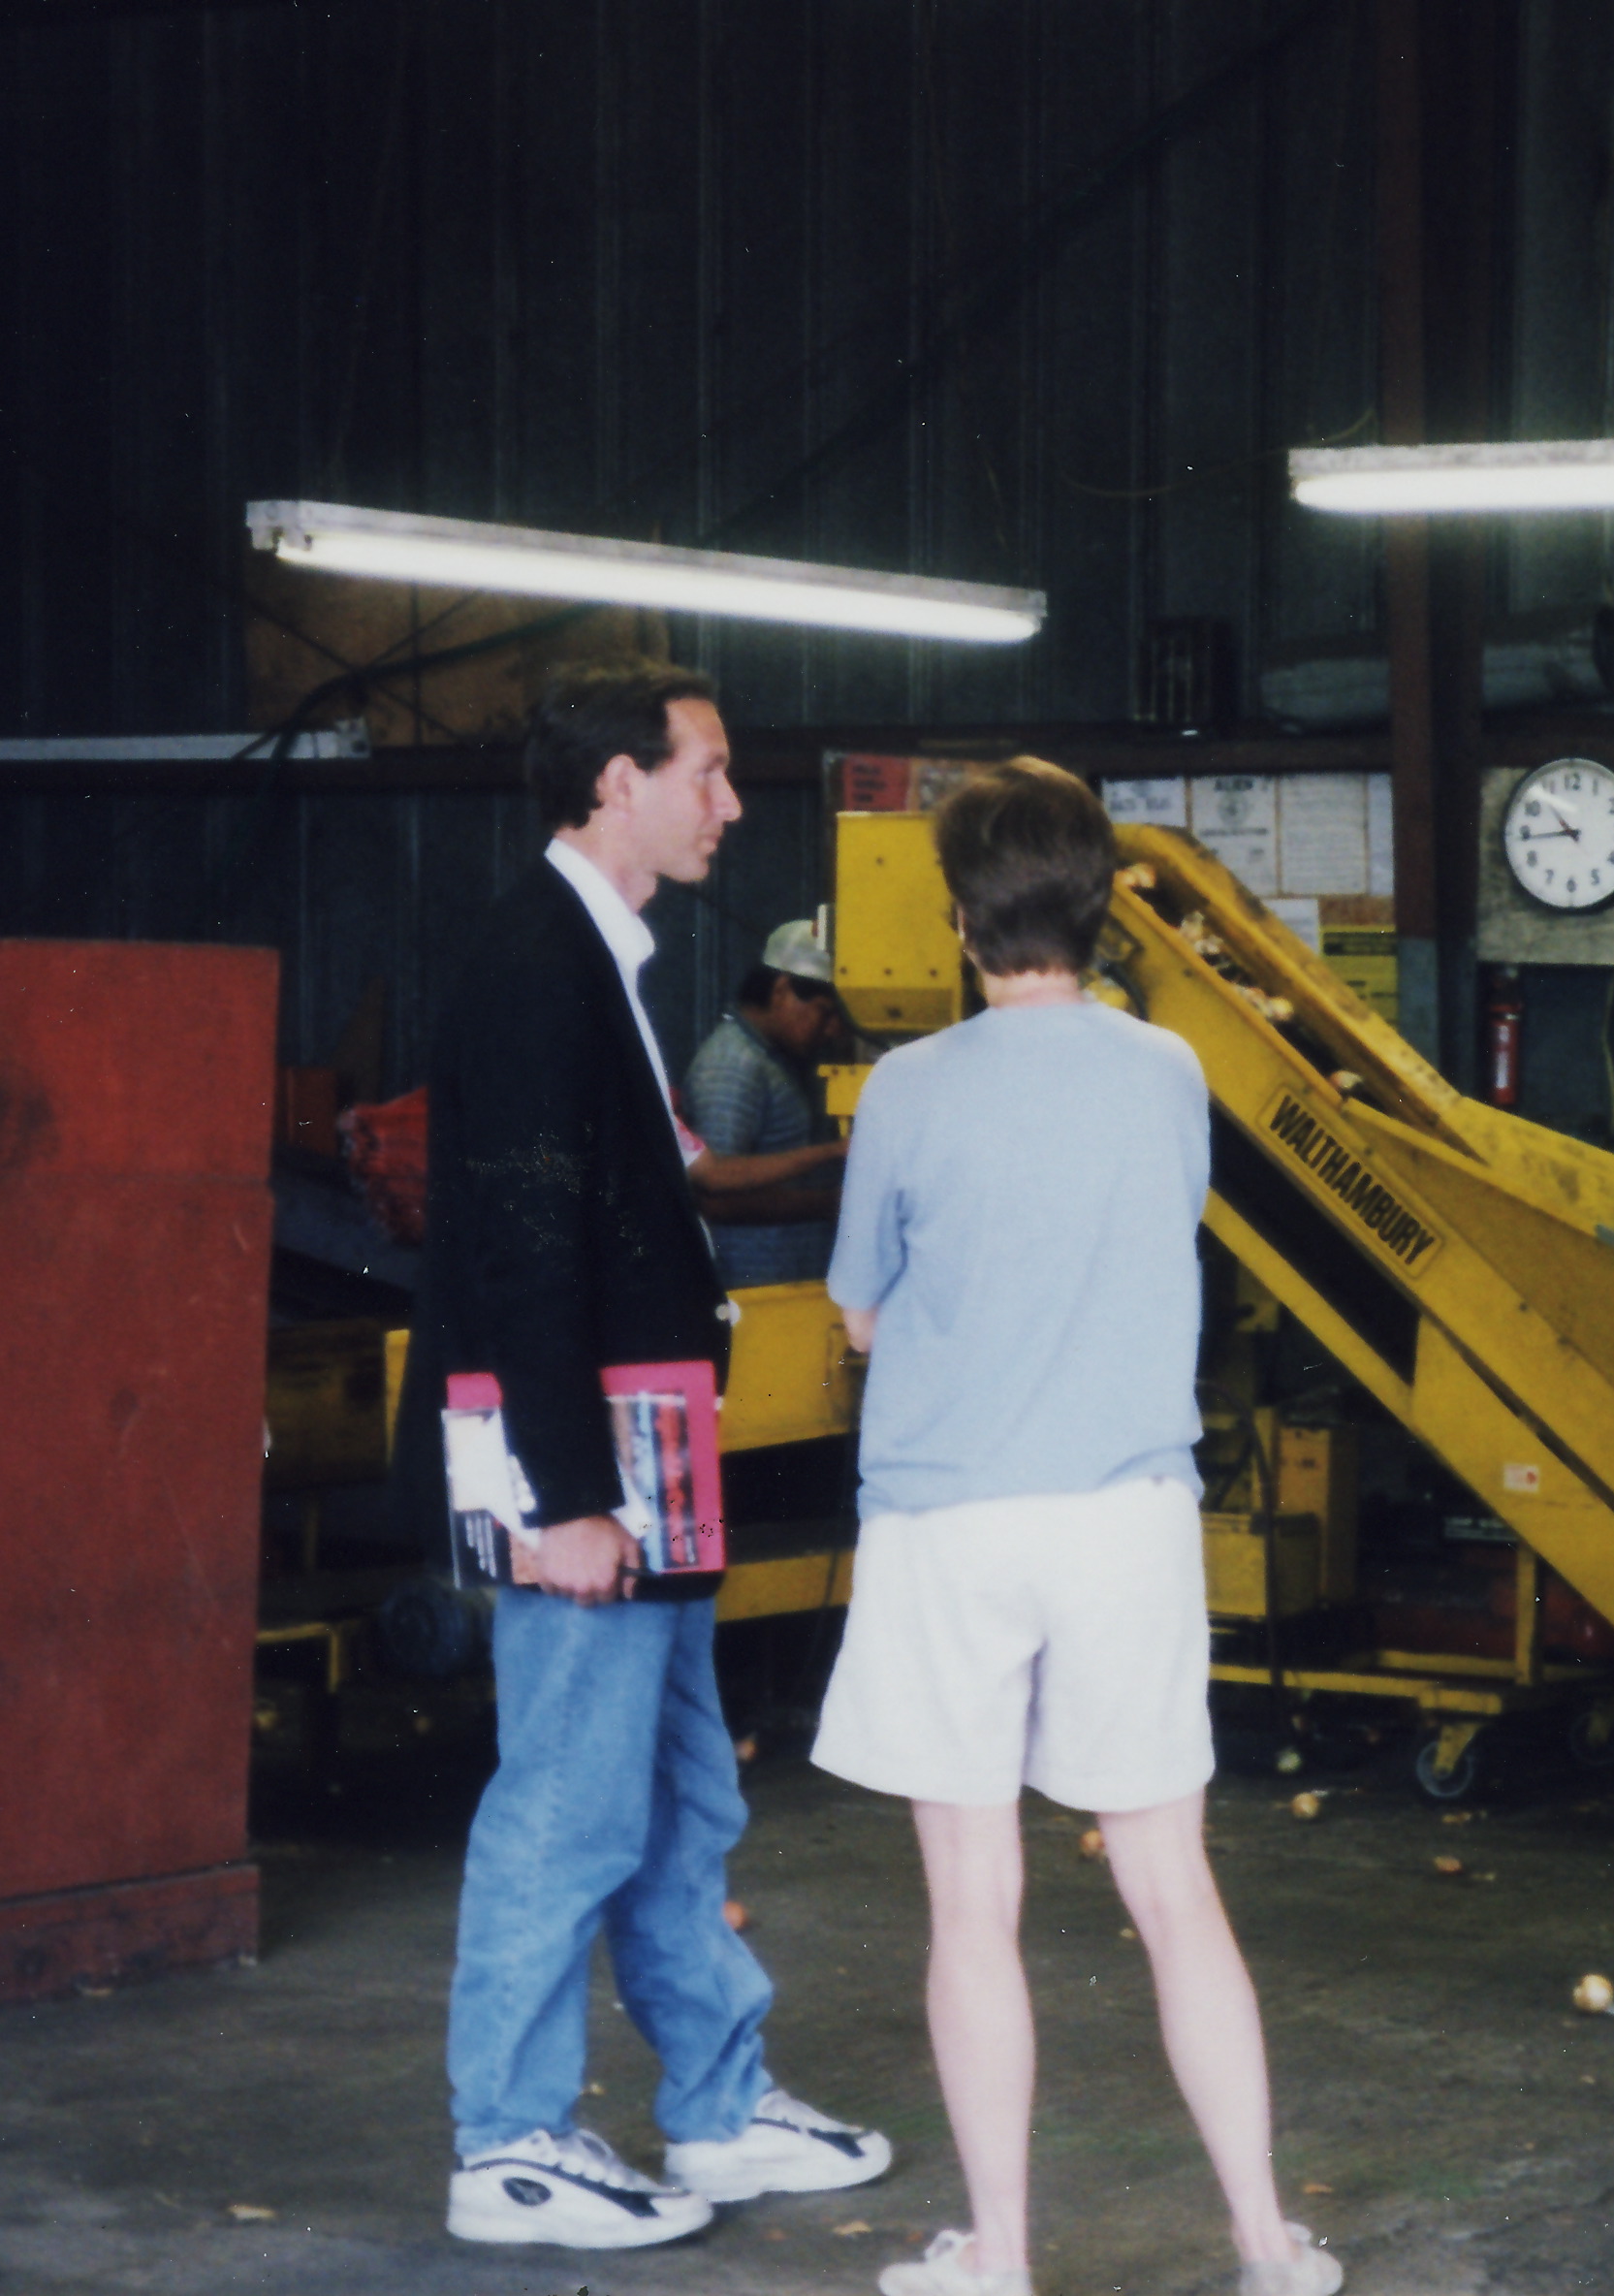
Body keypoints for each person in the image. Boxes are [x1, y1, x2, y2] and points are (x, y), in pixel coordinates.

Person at [812, 758, 1342, 2296]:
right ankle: (1266, 2245)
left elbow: (858, 1311)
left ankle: (1001, 2255)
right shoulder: (1165, 1070)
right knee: (1173, 1889)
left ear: (960, 917)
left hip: (951, 1519)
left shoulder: (908, 1088)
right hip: (1126, 1516)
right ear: (1103, 907)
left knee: (974, 1901)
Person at [399, 662, 892, 2252]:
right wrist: (568, 1499)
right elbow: (523, 1249)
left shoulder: (598, 956)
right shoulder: (534, 967)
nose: (730, 804)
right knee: (568, 1799)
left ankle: (718, 2105)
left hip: (648, 1437)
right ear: (618, 781)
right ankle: (509, 2141)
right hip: (588, 1464)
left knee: (681, 1792)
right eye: (708, 772)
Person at [682, 918, 853, 1288]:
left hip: (788, 1283)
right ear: (781, 991)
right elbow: (715, 1199)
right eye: (824, 1011)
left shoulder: (778, 1060)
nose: (833, 1029)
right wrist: (827, 1202)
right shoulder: (733, 1066)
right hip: (751, 1289)